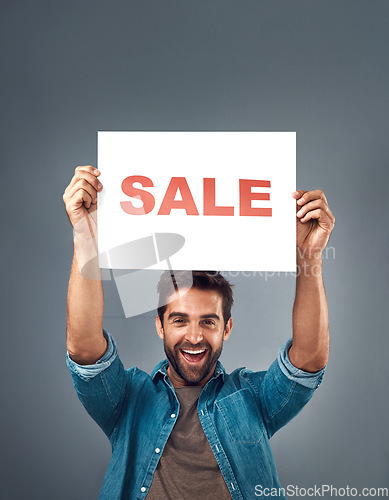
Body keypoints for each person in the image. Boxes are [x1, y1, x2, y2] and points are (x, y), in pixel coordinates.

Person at [63, 165, 335, 500]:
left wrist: (310, 256)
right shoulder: (127, 399)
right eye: (179, 320)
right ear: (159, 326)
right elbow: (85, 351)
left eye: (208, 321)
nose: (194, 336)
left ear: (227, 328)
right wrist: (85, 239)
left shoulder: (253, 398)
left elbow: (308, 361)